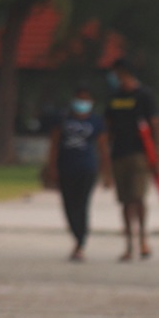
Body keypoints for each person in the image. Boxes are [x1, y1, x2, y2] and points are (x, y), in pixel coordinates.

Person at [102, 58, 159, 261]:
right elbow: (107, 128)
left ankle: (144, 238)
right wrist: (105, 160)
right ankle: (129, 244)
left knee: (138, 198)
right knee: (125, 202)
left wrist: (156, 155)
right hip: (119, 154)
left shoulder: (144, 95)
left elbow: (154, 124)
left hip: (139, 154)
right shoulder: (114, 97)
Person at [40, 85, 106, 261]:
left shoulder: (96, 121)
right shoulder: (62, 120)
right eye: (79, 99)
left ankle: (80, 241)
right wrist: (51, 167)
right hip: (66, 168)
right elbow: (54, 144)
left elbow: (102, 147)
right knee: (69, 205)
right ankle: (77, 235)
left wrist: (106, 172)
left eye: (86, 100)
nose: (82, 104)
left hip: (87, 168)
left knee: (82, 204)